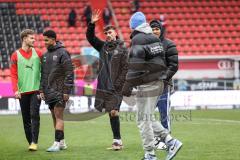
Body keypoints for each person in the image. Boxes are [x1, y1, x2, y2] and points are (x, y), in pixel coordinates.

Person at [123, 12, 182, 160]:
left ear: (134, 26)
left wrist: (127, 85)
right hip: (157, 83)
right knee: (146, 118)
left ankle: (150, 154)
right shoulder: (154, 39)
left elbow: (136, 65)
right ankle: (170, 141)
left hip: (147, 84)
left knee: (143, 121)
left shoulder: (138, 39)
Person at [86, 10, 128, 150]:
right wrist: (92, 23)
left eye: (110, 33)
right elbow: (90, 38)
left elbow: (125, 68)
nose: (108, 35)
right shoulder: (103, 46)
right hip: (105, 85)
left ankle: (117, 140)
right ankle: (117, 140)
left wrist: (119, 84)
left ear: (115, 33)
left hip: (117, 87)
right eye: (106, 33)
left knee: (114, 111)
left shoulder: (122, 48)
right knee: (111, 112)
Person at [40, 30, 74, 152]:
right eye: (44, 40)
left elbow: (69, 72)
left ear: (53, 39)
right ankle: (62, 143)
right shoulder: (44, 56)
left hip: (60, 90)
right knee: (54, 117)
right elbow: (43, 75)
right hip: (48, 91)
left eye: (46, 40)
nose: (44, 42)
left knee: (59, 116)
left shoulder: (63, 52)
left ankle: (56, 143)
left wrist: (66, 90)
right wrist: (41, 90)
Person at [10, 29, 42, 151]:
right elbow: (13, 75)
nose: (34, 40)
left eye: (34, 38)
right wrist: (15, 90)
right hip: (22, 92)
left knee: (34, 115)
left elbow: (43, 71)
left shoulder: (38, 53)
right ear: (24, 39)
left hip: (36, 90)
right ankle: (30, 142)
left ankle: (34, 142)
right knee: (26, 118)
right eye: (31, 38)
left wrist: (42, 89)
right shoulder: (15, 55)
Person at [150, 19, 178, 150]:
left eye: (157, 28)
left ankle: (168, 140)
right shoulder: (146, 45)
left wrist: (163, 78)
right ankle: (156, 139)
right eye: (153, 29)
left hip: (163, 86)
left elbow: (173, 66)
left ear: (161, 30)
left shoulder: (169, 44)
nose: (155, 31)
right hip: (148, 87)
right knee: (147, 115)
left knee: (164, 115)